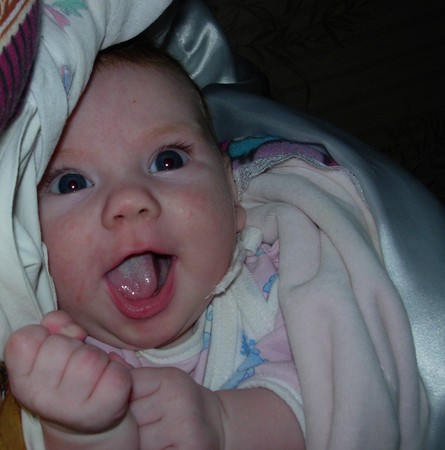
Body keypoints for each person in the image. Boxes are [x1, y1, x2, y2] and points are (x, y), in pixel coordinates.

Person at [4, 41, 305, 449]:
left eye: (167, 161)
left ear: (230, 190)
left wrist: (229, 424)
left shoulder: (283, 286)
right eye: (71, 183)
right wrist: (84, 432)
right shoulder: (64, 366)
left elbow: (351, 392)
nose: (128, 200)